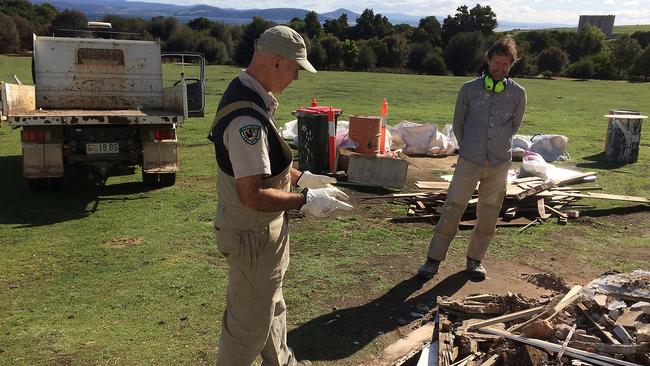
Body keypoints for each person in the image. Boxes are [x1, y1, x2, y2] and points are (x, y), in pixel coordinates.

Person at [207, 26, 353, 366]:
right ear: (275, 63)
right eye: (295, 69)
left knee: (272, 308)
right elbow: (252, 194)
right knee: (246, 330)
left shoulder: (253, 97)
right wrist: (304, 201)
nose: (296, 79)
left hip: (261, 236)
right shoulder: (248, 119)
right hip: (252, 237)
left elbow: (265, 166)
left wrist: (303, 178)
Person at [417, 35, 527, 282]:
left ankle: (475, 260)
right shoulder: (469, 90)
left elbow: (514, 125)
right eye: (496, 63)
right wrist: (469, 147)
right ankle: (433, 259)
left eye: (505, 64)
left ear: (512, 65)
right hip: (469, 159)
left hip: (500, 162)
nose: (500, 68)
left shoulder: (518, 94)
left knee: (489, 211)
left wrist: (497, 147)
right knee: (453, 206)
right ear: (488, 61)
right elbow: (459, 122)